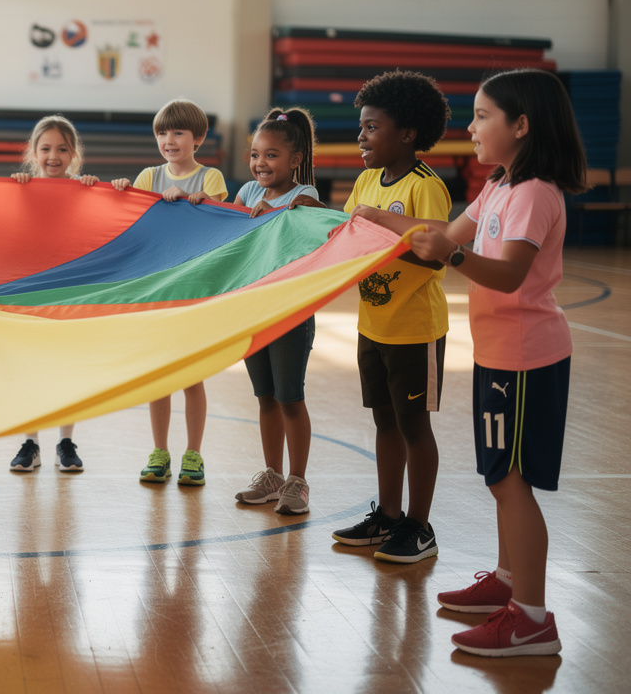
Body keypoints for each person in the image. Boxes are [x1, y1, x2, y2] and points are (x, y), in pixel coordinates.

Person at [354, 68, 586, 657]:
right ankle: (508, 582)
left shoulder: (534, 193)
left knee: (511, 482)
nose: (472, 128)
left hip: (526, 359)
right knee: (500, 478)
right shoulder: (501, 185)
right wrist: (382, 220)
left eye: (483, 117)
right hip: (498, 353)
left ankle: (531, 619)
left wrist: (454, 255)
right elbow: (442, 230)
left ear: (522, 125)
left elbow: (507, 274)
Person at [331, 71, 452, 564]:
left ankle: (419, 527)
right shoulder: (365, 181)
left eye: (372, 127)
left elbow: (437, 253)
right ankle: (387, 515)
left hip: (414, 330)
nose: (361, 136)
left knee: (414, 426)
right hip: (373, 324)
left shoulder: (426, 186)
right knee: (384, 422)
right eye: (361, 127)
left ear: (406, 133)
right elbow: (347, 237)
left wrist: (382, 230)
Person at [108, 98, 227, 486]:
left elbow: (220, 222)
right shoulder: (149, 176)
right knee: (159, 374)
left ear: (199, 139)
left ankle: (194, 454)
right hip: (156, 291)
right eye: (162, 133)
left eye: (178, 132)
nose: (169, 140)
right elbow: (136, 221)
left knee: (192, 376)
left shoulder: (210, 177)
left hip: (192, 289)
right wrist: (124, 191)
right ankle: (159, 451)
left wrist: (196, 204)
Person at [231, 108, 324, 515]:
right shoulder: (247, 193)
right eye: (255, 155)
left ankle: (297, 481)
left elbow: (310, 223)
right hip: (253, 311)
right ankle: (272, 475)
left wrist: (280, 215)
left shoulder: (305, 196)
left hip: (289, 313)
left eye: (271, 155)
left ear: (295, 159)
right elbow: (224, 225)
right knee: (265, 397)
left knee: (289, 398)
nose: (260, 163)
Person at [8, 115, 101, 473]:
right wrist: (17, 190)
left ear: (74, 154)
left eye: (62, 149)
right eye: (45, 149)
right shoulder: (23, 189)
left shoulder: (84, 189)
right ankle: (31, 442)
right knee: (29, 368)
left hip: (70, 294)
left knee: (67, 368)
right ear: (33, 153)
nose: (53, 156)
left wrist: (97, 189)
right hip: (31, 293)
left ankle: (65, 441)